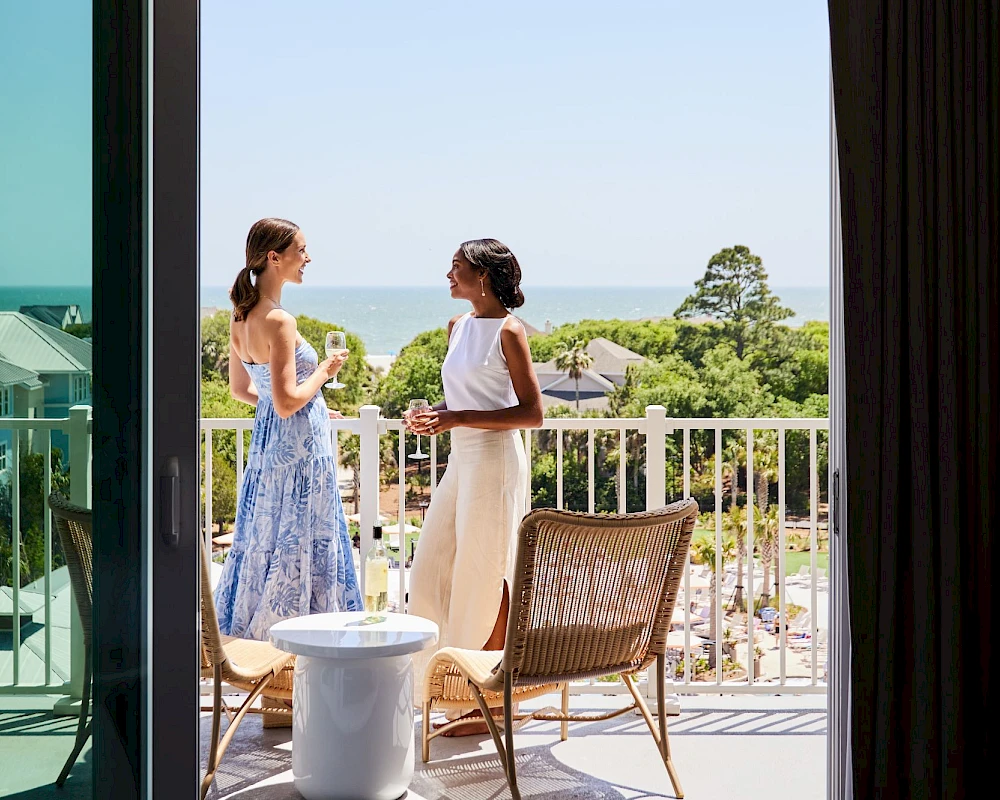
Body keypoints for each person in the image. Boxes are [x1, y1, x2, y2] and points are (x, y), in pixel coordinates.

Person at [405, 238, 544, 733]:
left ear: (482, 276)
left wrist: (455, 417)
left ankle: (492, 703)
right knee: (435, 567)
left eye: (456, 267)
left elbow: (532, 413)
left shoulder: (510, 330)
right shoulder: (457, 327)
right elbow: (464, 399)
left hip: (495, 462)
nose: (448, 274)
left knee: (488, 573)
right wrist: (432, 418)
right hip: (462, 461)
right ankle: (448, 687)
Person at [214, 217, 363, 643]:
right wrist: (325, 372)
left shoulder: (240, 315)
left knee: (269, 531)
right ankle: (304, 643)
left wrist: (312, 406)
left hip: (269, 446)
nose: (308, 258)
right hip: (297, 451)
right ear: (274, 257)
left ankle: (262, 642)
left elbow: (243, 391)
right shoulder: (279, 321)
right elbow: (286, 401)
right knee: (302, 532)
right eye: (301, 250)